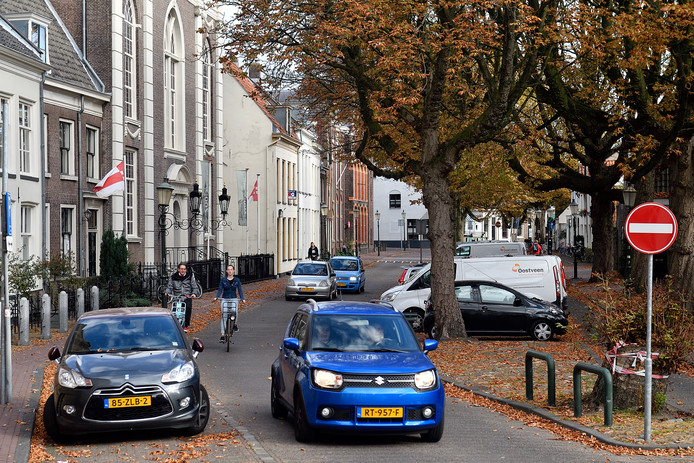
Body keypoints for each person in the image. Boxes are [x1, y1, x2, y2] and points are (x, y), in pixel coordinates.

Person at [213, 264, 245, 342]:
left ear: (233, 271)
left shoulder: (237, 280)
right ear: (227, 271)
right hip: (225, 298)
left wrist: (242, 298)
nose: (230, 271)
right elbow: (220, 289)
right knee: (224, 315)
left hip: (234, 298)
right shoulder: (223, 280)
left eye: (231, 269)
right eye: (228, 269)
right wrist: (217, 297)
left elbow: (240, 290)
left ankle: (235, 324)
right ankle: (222, 335)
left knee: (235, 312)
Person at [165, 263, 198, 333]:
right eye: (181, 269)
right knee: (174, 311)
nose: (183, 271)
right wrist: (167, 292)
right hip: (177, 296)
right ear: (178, 269)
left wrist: (194, 293)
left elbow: (195, 287)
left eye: (184, 269)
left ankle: (185, 325)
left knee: (188, 308)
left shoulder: (190, 276)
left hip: (187, 296)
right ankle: (176, 325)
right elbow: (170, 287)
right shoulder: (173, 277)